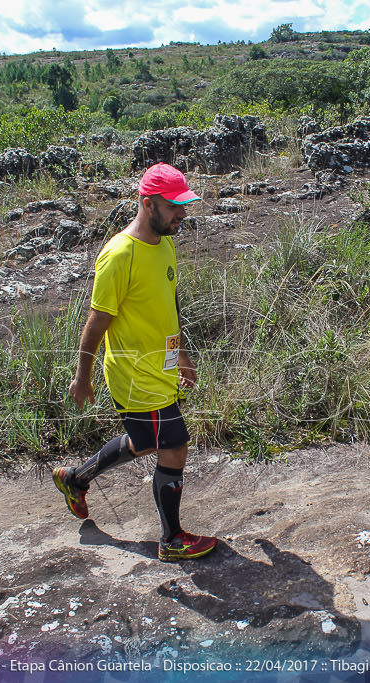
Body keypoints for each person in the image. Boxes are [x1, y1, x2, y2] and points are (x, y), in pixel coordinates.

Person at [53, 162, 217, 562]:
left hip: (159, 366)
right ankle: (172, 539)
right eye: (174, 205)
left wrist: (181, 353)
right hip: (133, 374)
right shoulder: (119, 254)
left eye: (184, 204)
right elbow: (97, 320)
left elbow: (167, 304)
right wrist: (82, 377)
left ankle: (75, 479)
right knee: (174, 443)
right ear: (148, 204)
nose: (183, 213)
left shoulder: (165, 242)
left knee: (146, 442)